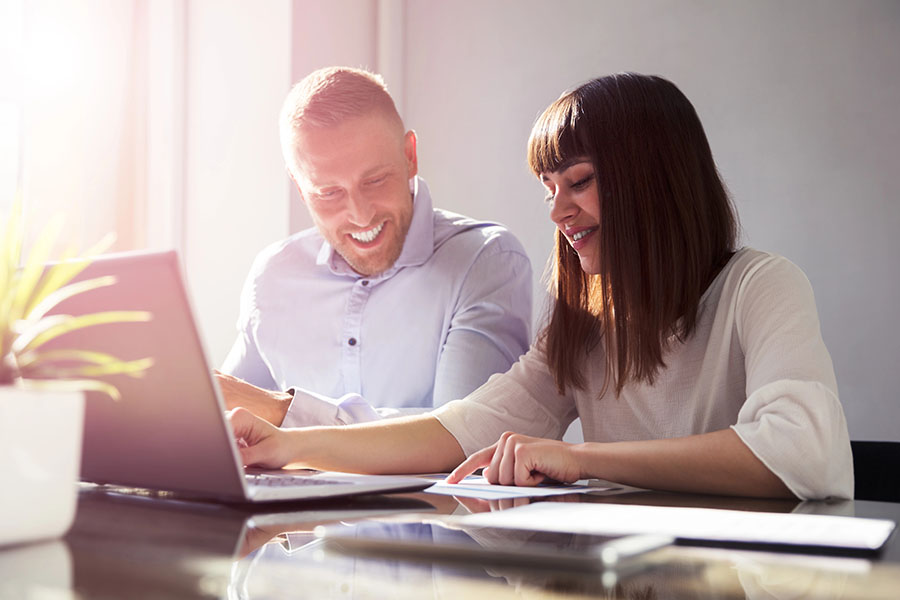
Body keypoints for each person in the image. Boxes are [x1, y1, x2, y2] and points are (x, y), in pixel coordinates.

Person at [227, 73, 853, 500]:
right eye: (549, 191)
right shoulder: (583, 326)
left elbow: (802, 453)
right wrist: (289, 446)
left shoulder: (760, 287)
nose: (557, 213)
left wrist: (581, 461)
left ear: (652, 180)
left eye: (578, 183)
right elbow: (456, 430)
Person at [217, 66, 532, 427]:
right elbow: (229, 412)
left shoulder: (485, 261)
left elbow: (464, 437)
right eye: (329, 193)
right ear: (300, 187)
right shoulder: (273, 275)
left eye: (376, 180)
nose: (360, 214)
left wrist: (282, 413)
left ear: (410, 155)